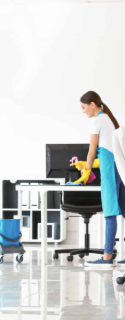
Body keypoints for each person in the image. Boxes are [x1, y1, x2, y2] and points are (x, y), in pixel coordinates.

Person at [71, 91, 125, 267]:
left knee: (110, 213)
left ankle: (107, 258)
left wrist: (86, 171)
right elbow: (104, 152)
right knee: (123, 210)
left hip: (110, 170)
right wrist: (89, 165)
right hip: (117, 168)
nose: (83, 111)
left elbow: (92, 150)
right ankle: (109, 255)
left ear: (93, 104)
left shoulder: (96, 121)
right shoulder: (107, 119)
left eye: (84, 107)